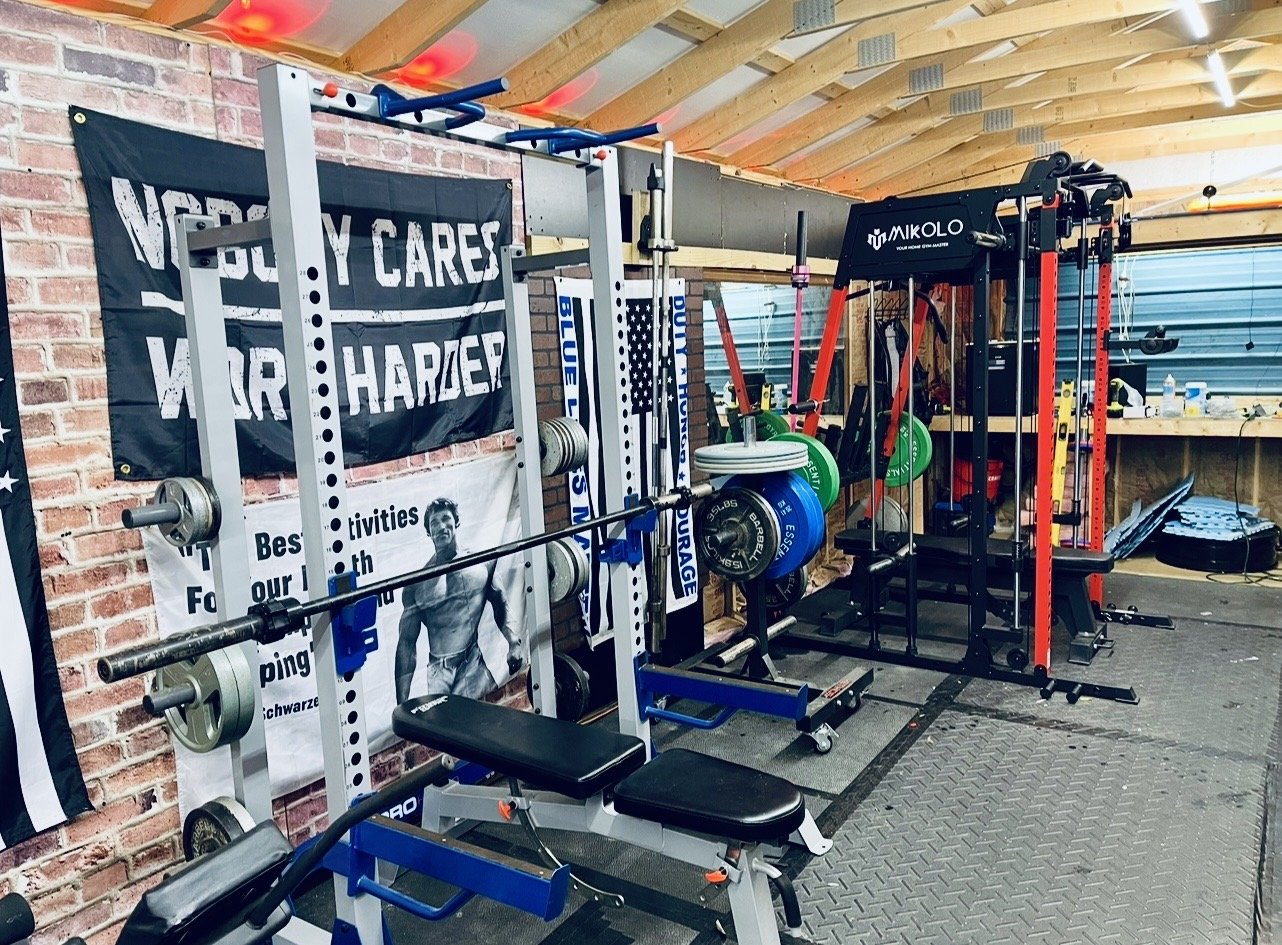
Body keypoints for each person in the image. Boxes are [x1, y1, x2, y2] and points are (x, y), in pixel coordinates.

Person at [394, 497, 523, 702]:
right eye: (434, 523)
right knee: (444, 731)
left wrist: (514, 643)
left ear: (456, 522)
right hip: (440, 672)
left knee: (488, 722)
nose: (440, 526)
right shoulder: (416, 584)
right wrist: (402, 703)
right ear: (429, 532)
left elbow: (500, 603)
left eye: (445, 519)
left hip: (472, 661)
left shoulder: (481, 564)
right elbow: (407, 643)